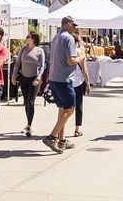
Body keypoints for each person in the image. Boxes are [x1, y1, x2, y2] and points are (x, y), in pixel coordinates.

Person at [44, 16, 84, 153]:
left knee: (62, 109)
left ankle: (61, 140)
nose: (75, 28)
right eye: (74, 25)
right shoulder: (68, 38)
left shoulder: (55, 38)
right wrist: (81, 57)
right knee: (70, 109)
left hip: (54, 78)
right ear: (67, 24)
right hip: (64, 79)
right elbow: (70, 60)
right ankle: (52, 137)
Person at [13, 32, 45, 137]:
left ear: (33, 39)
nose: (26, 38)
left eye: (28, 37)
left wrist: (38, 78)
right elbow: (17, 64)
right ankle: (28, 123)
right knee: (26, 102)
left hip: (34, 79)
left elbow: (42, 66)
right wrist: (13, 76)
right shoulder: (23, 49)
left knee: (31, 102)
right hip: (23, 78)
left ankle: (29, 125)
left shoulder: (39, 50)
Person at [72, 34, 91, 137]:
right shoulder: (80, 53)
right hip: (78, 82)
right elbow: (85, 70)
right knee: (78, 106)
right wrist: (88, 83)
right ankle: (77, 129)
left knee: (64, 107)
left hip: (67, 82)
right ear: (77, 42)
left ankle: (61, 130)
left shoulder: (66, 52)